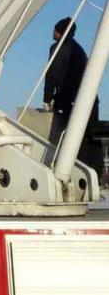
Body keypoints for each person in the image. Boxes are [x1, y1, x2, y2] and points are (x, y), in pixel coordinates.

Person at [43, 17, 102, 176]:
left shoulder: (58, 48)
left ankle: (65, 174)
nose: (53, 32)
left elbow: (52, 74)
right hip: (89, 100)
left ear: (60, 31)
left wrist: (47, 98)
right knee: (87, 139)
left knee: (67, 139)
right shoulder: (79, 50)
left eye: (55, 29)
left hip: (70, 101)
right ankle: (91, 176)